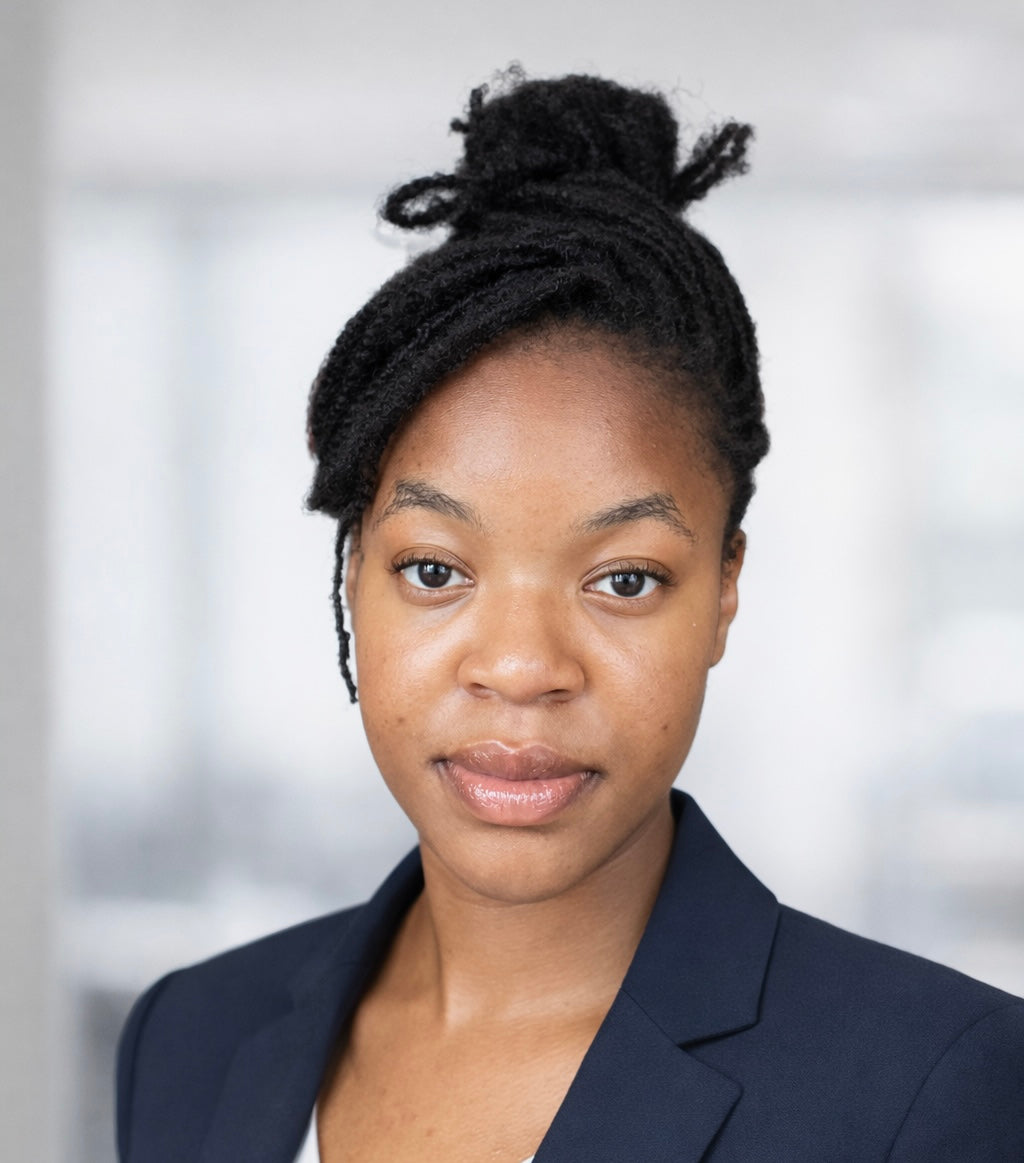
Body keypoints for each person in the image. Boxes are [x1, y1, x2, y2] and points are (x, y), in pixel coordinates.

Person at [115, 72, 1024, 1162]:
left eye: (624, 579)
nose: (519, 665)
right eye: (436, 569)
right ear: (354, 571)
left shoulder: (928, 1085)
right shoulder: (191, 1036)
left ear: (725, 588)